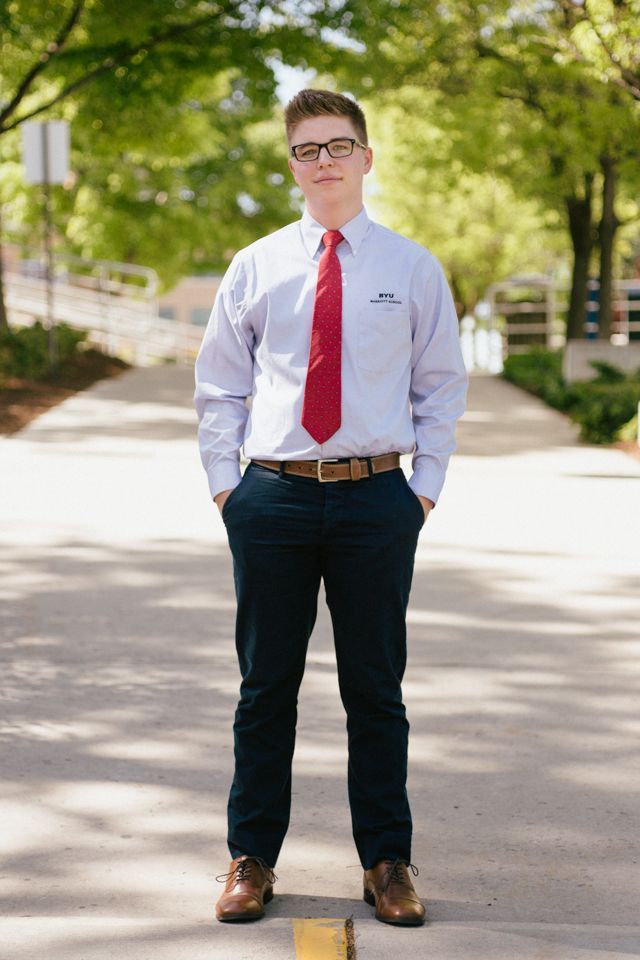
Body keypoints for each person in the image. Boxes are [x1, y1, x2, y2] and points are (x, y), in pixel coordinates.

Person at [194, 88, 468, 927]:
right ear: (292, 165)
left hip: (376, 499)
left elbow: (440, 385)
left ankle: (387, 861)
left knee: (375, 690)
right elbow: (220, 383)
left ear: (366, 157)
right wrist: (227, 487)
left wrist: (421, 489)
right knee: (264, 688)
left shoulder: (411, 267)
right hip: (271, 497)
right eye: (308, 149)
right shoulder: (257, 264)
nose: (325, 161)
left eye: (339, 145)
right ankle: (251, 859)